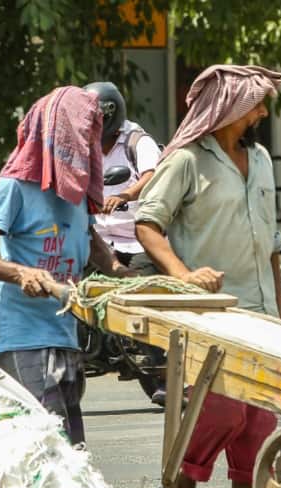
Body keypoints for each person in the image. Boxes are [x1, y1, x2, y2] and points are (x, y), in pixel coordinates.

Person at [134, 64, 281, 488]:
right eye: (255, 104)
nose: (262, 112)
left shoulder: (260, 159)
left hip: (261, 311)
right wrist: (183, 276)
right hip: (211, 313)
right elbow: (147, 224)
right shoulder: (185, 162)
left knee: (259, 419)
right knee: (221, 411)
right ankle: (180, 486)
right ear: (229, 110)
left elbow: (271, 242)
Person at [0, 86, 135, 452]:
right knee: (49, 450)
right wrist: (21, 273)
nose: (89, 140)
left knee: (72, 451)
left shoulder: (76, 187)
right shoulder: (17, 186)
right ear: (61, 133)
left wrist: (117, 271)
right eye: (83, 131)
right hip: (22, 337)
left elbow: (87, 234)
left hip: (64, 333)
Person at [83, 81, 169, 405]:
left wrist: (126, 195)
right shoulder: (81, 142)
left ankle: (162, 371)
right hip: (96, 237)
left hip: (136, 239)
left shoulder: (137, 140)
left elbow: (154, 174)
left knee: (144, 289)